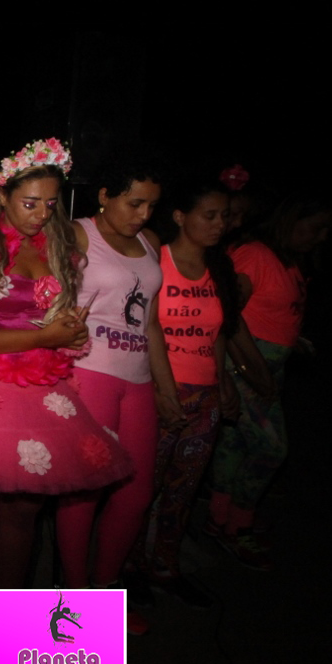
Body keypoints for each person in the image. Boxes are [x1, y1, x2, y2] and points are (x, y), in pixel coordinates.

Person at [0, 139, 132, 589]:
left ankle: (12, 612)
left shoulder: (59, 250)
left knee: (24, 513)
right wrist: (44, 337)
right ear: (3, 196)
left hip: (42, 388)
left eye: (50, 204)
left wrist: (69, 333)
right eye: (29, 203)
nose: (41, 214)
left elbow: (57, 322)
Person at [55, 157, 181, 617]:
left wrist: (166, 387)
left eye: (151, 205)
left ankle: (106, 582)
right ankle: (73, 595)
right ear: (105, 196)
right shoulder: (77, 233)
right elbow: (47, 299)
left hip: (139, 378)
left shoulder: (151, 242)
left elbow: (152, 324)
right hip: (90, 372)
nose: (143, 214)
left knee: (137, 493)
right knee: (84, 490)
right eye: (134, 203)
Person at [207, 193, 332, 570]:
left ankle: (219, 519)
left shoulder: (288, 259)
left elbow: (272, 311)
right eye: (316, 227)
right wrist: (251, 370)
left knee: (233, 445)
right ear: (292, 219)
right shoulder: (255, 254)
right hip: (245, 369)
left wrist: (292, 340)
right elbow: (228, 315)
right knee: (271, 449)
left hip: (267, 367)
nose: (322, 237)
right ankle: (238, 525)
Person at [132, 181, 242, 608]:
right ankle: (128, 568)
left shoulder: (220, 268)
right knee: (143, 489)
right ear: (179, 216)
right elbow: (145, 329)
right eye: (209, 215)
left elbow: (219, 333)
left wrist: (224, 381)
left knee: (183, 491)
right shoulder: (155, 261)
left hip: (205, 398)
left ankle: (165, 567)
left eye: (224, 216)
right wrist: (162, 390)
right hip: (161, 392)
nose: (219, 224)